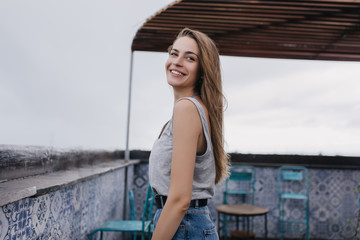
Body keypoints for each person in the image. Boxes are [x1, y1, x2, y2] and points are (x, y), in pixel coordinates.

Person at [149, 28, 229, 240]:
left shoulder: (187, 109)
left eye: (190, 58)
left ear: (203, 70)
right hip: (187, 225)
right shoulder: (194, 110)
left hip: (184, 227)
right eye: (174, 53)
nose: (176, 62)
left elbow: (179, 200)